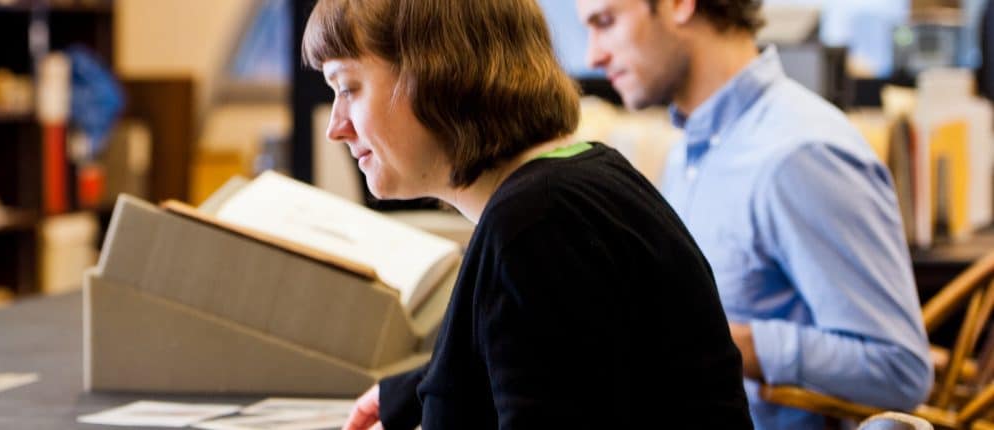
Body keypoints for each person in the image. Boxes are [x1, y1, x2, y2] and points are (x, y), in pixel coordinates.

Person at [305, 0, 753, 428]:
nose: (335, 127)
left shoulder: (537, 226)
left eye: (348, 88)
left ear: (436, 73)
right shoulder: (584, 178)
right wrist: (423, 389)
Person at [576, 0, 934, 428]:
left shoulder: (800, 153)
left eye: (606, 22)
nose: (592, 56)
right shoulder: (689, 149)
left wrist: (727, 341)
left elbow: (900, 370)